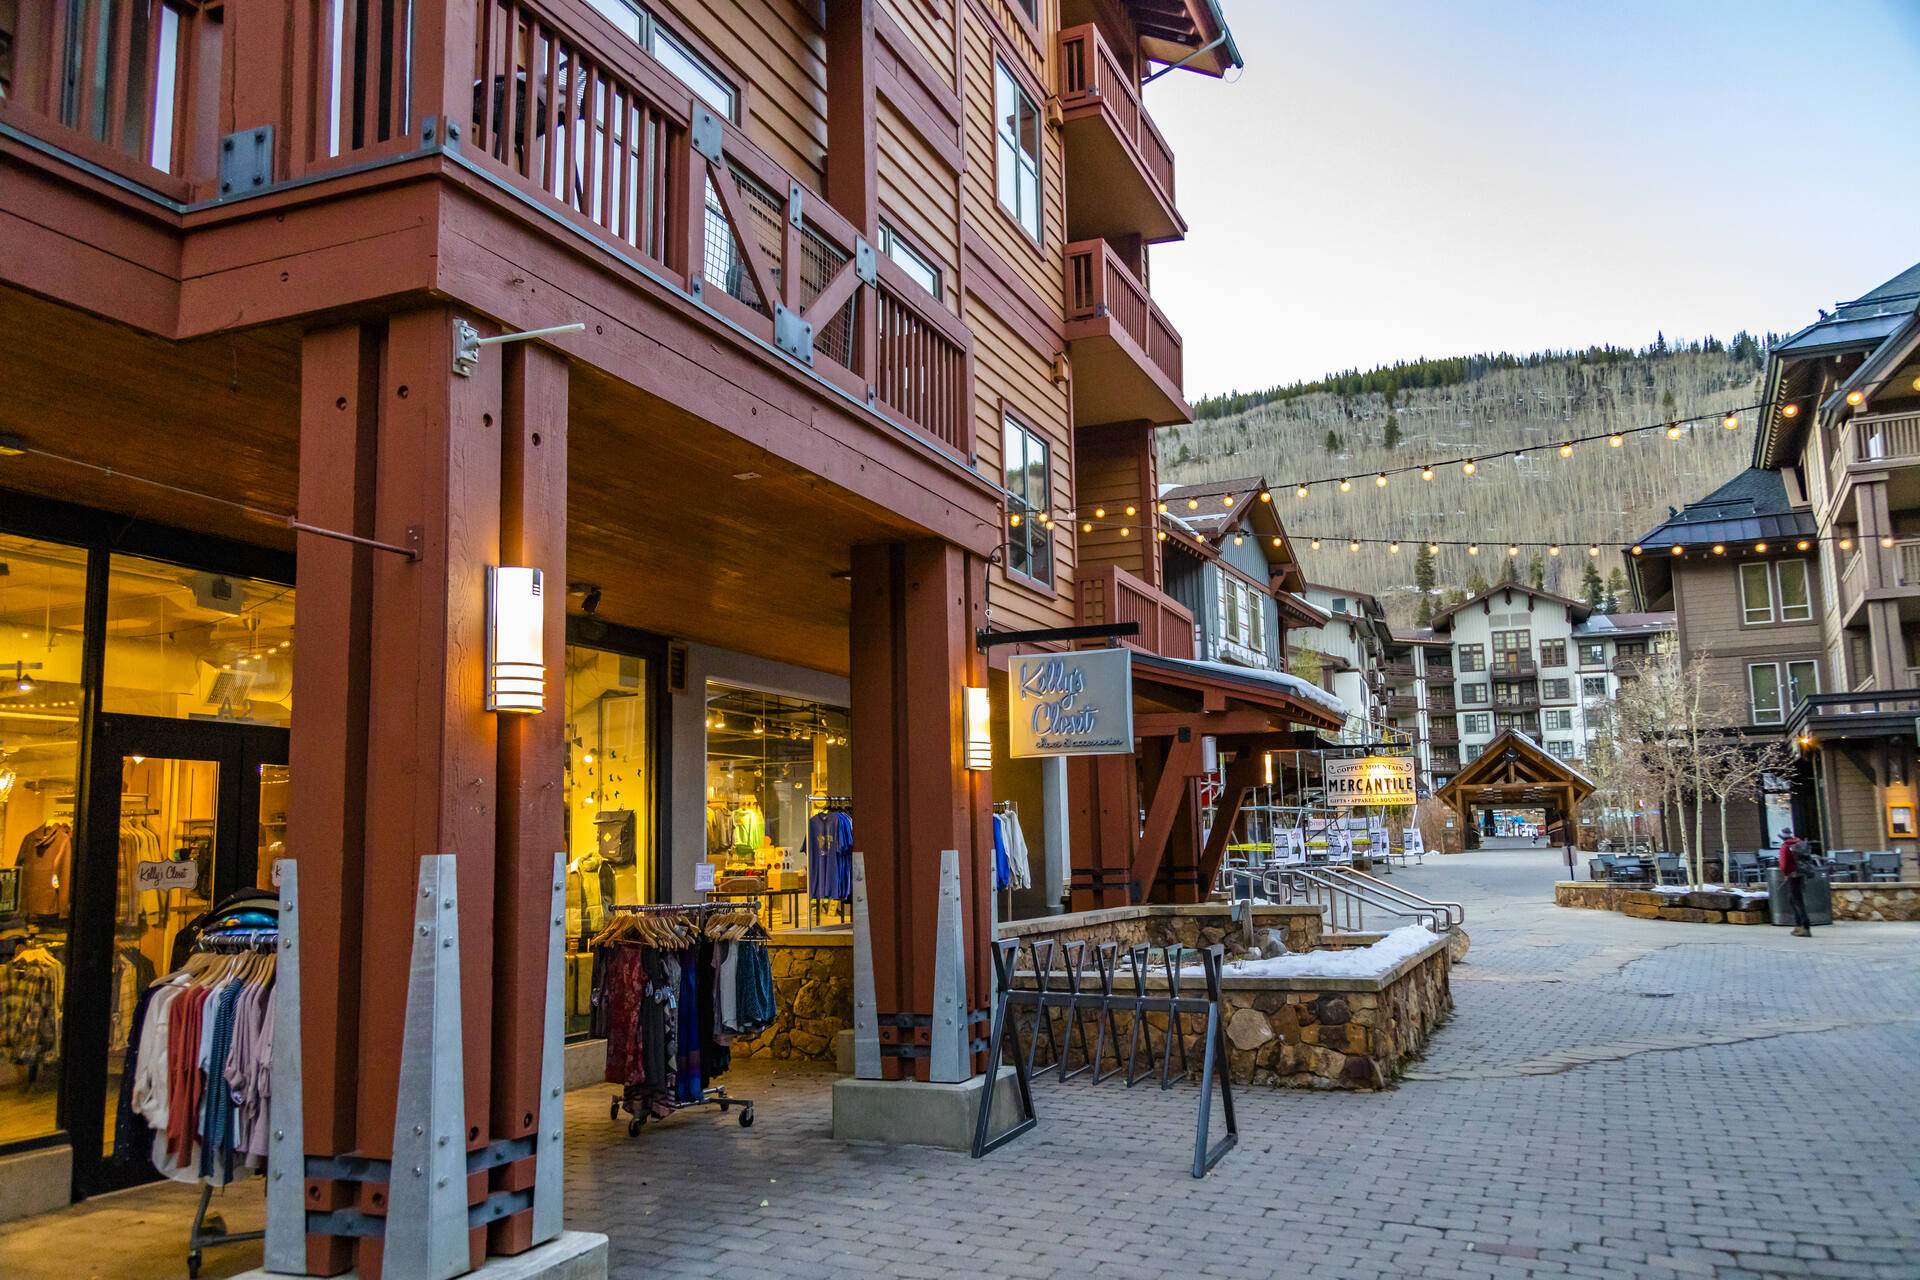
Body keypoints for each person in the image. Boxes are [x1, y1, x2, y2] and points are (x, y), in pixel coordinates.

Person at [1777, 829, 1814, 937]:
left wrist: (1785, 873)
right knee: (1793, 900)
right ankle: (1798, 925)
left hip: (1792, 875)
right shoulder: (1799, 843)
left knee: (1797, 901)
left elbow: (1784, 864)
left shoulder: (1785, 846)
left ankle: (1805, 927)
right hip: (1801, 874)